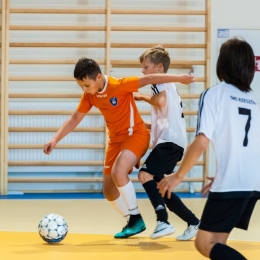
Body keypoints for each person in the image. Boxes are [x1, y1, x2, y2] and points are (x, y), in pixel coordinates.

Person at [43, 57, 194, 239]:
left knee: (119, 172)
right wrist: (55, 138)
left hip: (135, 135)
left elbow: (149, 79)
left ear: (99, 77)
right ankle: (134, 219)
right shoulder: (90, 95)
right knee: (109, 189)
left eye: (86, 85)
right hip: (115, 141)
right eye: (81, 86)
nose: (84, 90)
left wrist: (180, 78)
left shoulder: (119, 85)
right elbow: (75, 118)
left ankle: (139, 217)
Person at [158, 38, 260, 260]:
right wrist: (225, 176)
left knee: (204, 242)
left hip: (233, 182)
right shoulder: (252, 100)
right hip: (253, 182)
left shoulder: (214, 94)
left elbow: (202, 142)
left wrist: (178, 176)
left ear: (222, 64)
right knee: (218, 241)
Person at [134, 45, 200, 240]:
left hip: (169, 142)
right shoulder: (169, 86)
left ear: (159, 68)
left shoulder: (159, 84)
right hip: (174, 141)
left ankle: (163, 221)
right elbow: (160, 119)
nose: (143, 72)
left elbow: (159, 102)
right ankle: (194, 223)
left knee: (145, 174)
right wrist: (139, 125)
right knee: (162, 186)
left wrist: (141, 96)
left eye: (146, 67)